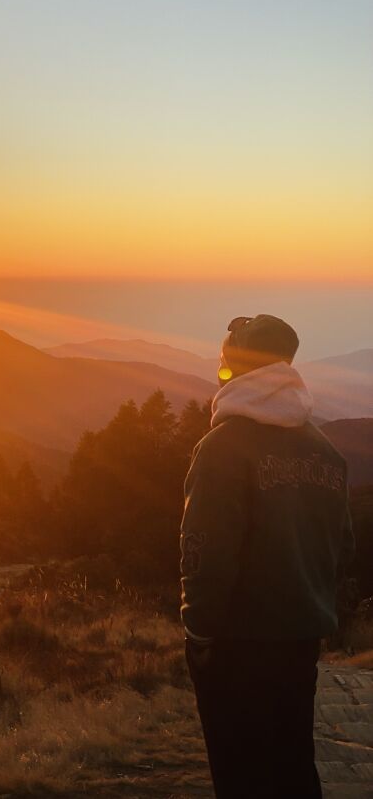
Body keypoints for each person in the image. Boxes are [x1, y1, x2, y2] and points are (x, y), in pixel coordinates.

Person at [179, 314, 356, 799]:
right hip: (301, 638)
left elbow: (204, 552)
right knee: (293, 764)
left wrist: (198, 632)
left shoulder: (221, 449)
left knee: (241, 773)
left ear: (234, 365)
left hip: (237, 643)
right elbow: (342, 547)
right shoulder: (325, 452)